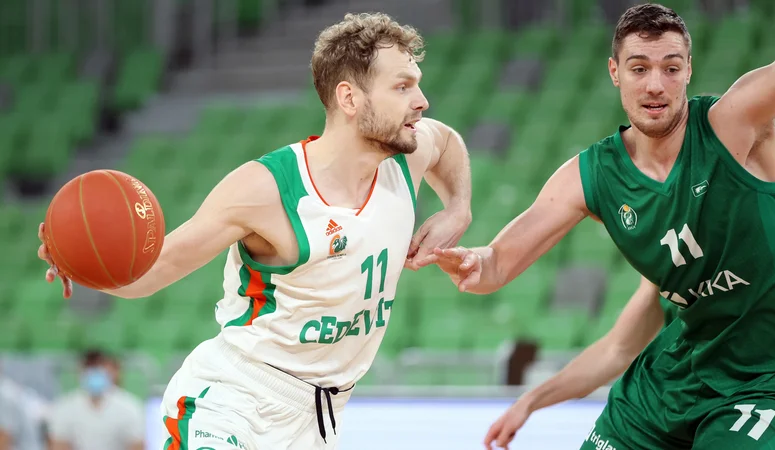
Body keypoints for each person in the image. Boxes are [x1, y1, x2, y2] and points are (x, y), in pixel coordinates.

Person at [37, 12, 473, 450]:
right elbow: (154, 270)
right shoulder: (266, 188)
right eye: (402, 86)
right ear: (349, 97)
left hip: (319, 420)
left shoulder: (408, 155)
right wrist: (83, 260)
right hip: (233, 401)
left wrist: (458, 208)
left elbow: (448, 144)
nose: (421, 100)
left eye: (416, 83)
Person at [419, 3, 775, 449]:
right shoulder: (594, 176)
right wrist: (473, 264)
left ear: (688, 70)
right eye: (639, 68)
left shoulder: (734, 123)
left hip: (773, 378)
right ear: (615, 72)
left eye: (670, 68)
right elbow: (498, 267)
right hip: (673, 382)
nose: (655, 85)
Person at [47, 350, 145, 450]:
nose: (95, 372)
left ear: (113, 371)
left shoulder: (130, 407)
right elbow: (57, 445)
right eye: (91, 367)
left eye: (100, 367)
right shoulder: (64, 406)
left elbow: (137, 445)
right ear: (80, 372)